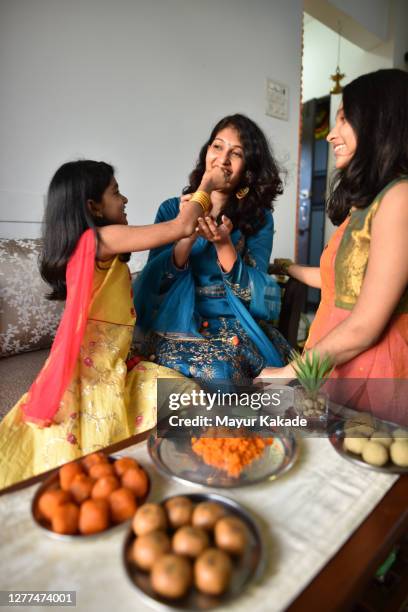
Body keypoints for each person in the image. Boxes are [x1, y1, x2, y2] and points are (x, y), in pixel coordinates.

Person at [0, 159, 228, 490]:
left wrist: (194, 226)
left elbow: (182, 233)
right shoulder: (100, 240)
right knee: (104, 443)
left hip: (115, 363)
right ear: (93, 207)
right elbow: (178, 226)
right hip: (95, 378)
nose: (124, 200)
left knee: (184, 394)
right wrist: (206, 185)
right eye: (115, 193)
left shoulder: (91, 247)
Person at [260, 69, 408, 422]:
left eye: (344, 120)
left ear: (377, 124)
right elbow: (339, 282)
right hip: (335, 354)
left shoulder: (400, 197)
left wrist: (287, 374)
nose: (330, 135)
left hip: (374, 363)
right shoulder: (366, 203)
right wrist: (286, 267)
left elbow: (365, 325)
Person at [133, 114, 291, 384]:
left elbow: (253, 292)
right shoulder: (172, 210)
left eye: (236, 153)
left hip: (237, 324)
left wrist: (223, 243)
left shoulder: (259, 218)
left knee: (284, 369)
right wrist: (187, 232)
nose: (223, 159)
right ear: (207, 151)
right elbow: (155, 287)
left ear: (248, 170)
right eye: (217, 147)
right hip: (180, 326)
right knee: (220, 371)